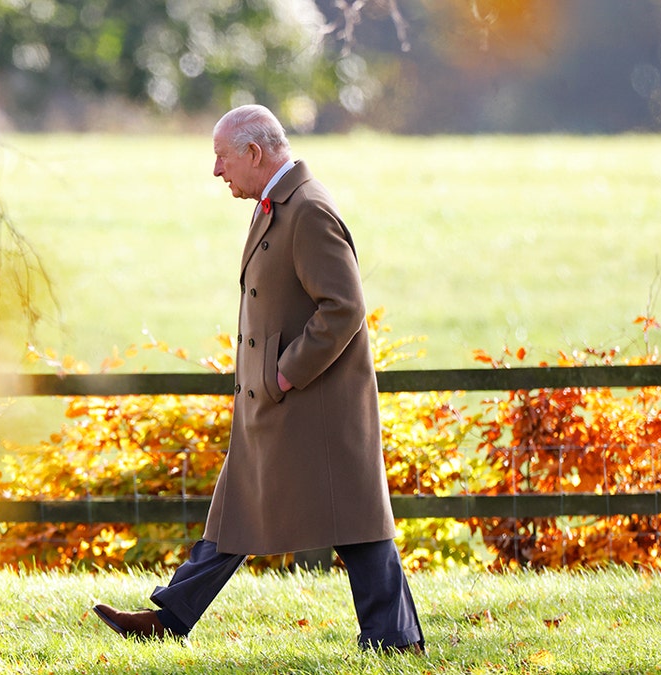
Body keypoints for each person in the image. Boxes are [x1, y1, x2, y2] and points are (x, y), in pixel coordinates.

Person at [91, 104, 425, 654]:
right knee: (235, 514)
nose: (217, 171)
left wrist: (285, 375)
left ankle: (395, 640)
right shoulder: (279, 204)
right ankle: (171, 618)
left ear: (253, 152)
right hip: (274, 405)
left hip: (309, 407)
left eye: (222, 157)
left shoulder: (309, 210)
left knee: (357, 522)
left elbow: (342, 308)